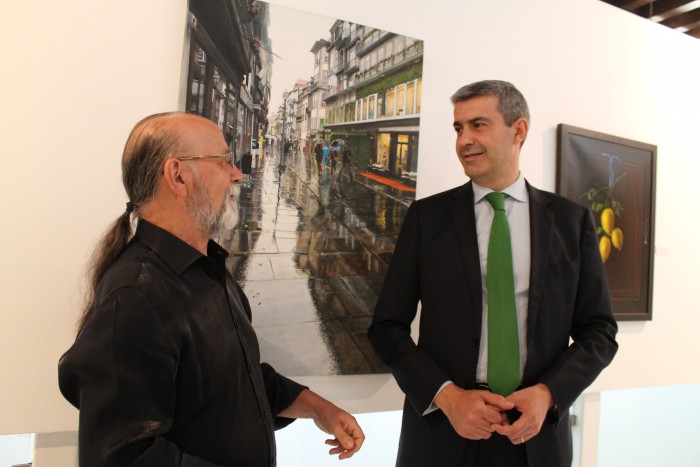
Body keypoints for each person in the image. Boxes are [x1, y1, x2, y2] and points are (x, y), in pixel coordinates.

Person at [58, 112, 364, 466]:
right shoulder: (135, 296)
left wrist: (316, 407)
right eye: (222, 161)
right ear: (178, 175)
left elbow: (235, 379)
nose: (237, 173)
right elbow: (122, 457)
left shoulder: (207, 269)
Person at [368, 80, 617, 467]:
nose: (464, 139)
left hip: (535, 440)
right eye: (458, 127)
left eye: (478, 125)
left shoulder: (571, 222)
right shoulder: (427, 219)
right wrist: (447, 397)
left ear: (518, 130)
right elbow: (386, 327)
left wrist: (549, 394)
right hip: (442, 435)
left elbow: (599, 332)